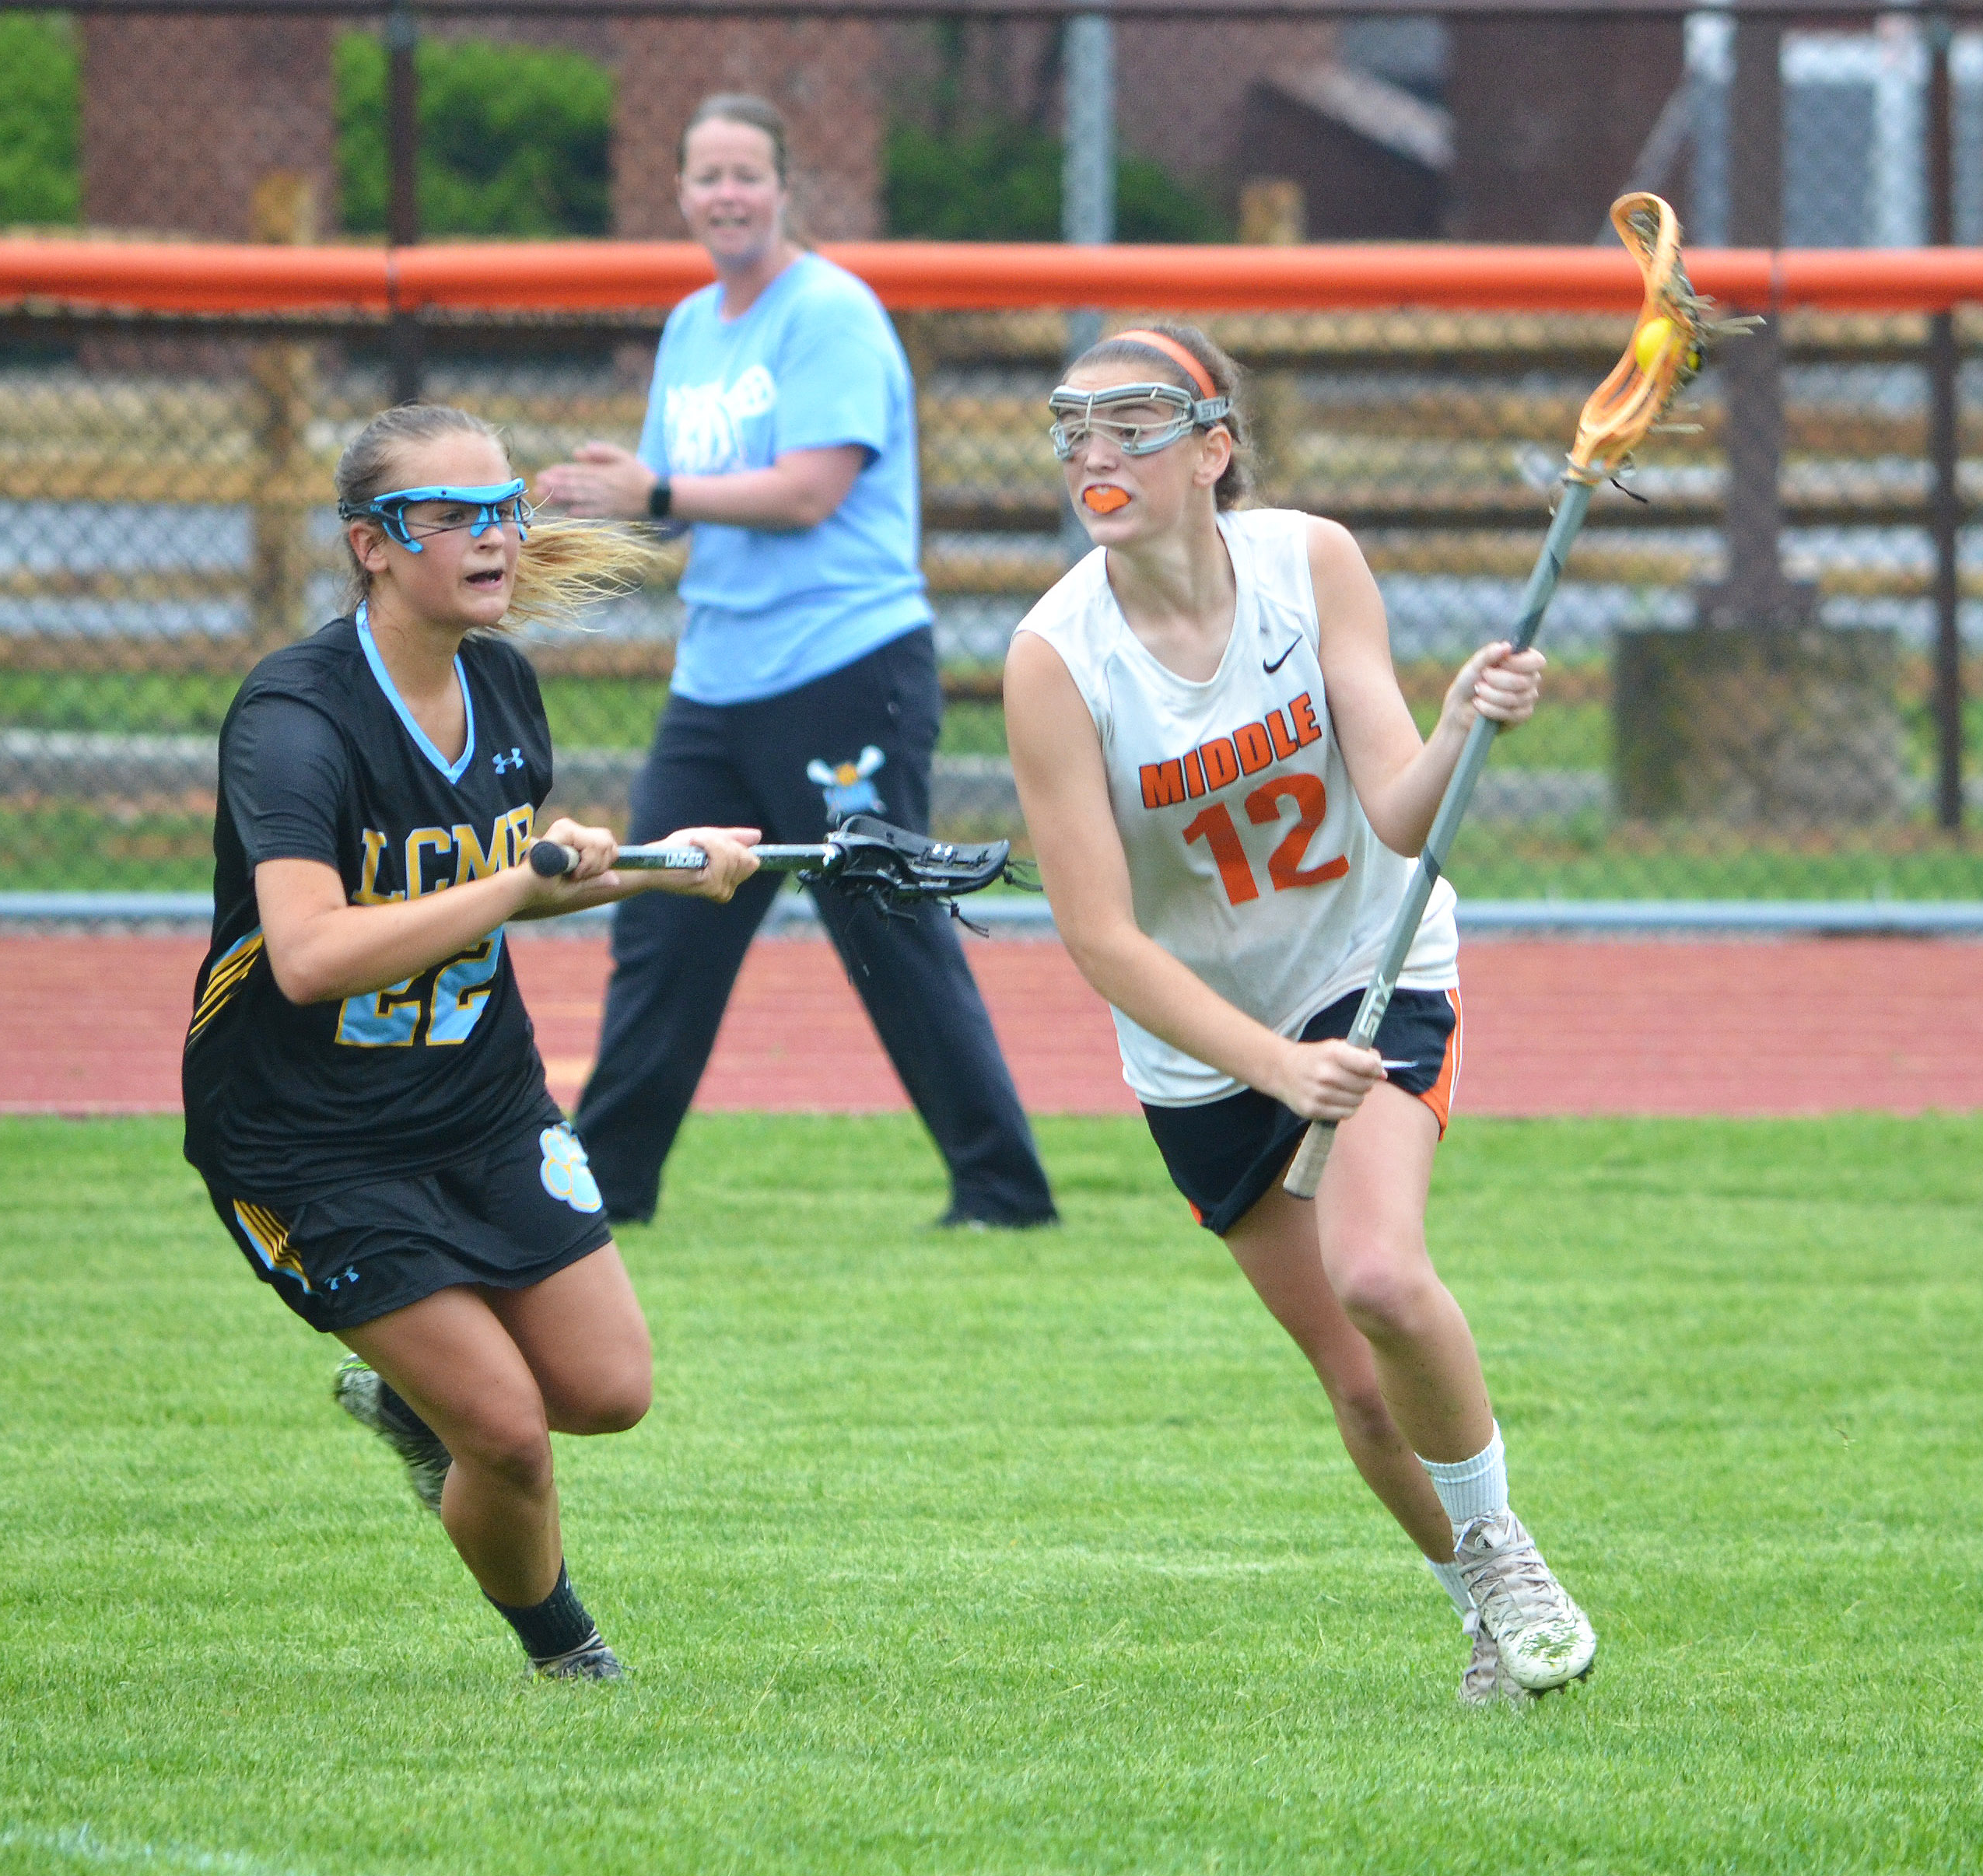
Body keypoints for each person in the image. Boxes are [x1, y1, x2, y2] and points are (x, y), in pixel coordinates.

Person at [1000, 325, 1595, 1706]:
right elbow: (1098, 934)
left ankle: (1504, 1552)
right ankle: (1482, 1617)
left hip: (1368, 972)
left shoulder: (1308, 559)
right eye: (1074, 428)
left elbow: (1400, 809)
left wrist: (1458, 725)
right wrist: (1273, 1064)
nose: (1097, 453)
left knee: (1380, 1275)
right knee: (1361, 1386)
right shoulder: (1054, 658)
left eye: (1135, 424)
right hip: (1209, 1050)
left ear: (1214, 447)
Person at [182, 401, 762, 1682]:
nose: (492, 537)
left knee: (609, 1391)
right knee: (506, 1435)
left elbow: (523, 877)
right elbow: (312, 955)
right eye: (445, 516)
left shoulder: (500, 677)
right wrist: (519, 891)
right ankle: (566, 1653)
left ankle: (406, 1403)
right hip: (306, 1139)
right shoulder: (293, 715)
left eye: (502, 508)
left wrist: (669, 867)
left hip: (481, 1103)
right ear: (370, 547)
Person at [533, 92, 1054, 1231]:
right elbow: (677, 510)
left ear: (783, 189)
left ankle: (1003, 1191)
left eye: (746, 174)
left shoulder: (832, 314)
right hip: (716, 680)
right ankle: (606, 1193)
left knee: (883, 924)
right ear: (678, 191)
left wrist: (657, 491)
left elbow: (811, 492)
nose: (725, 194)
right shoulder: (691, 326)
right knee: (662, 921)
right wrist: (595, 505)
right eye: (705, 174)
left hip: (843, 665)